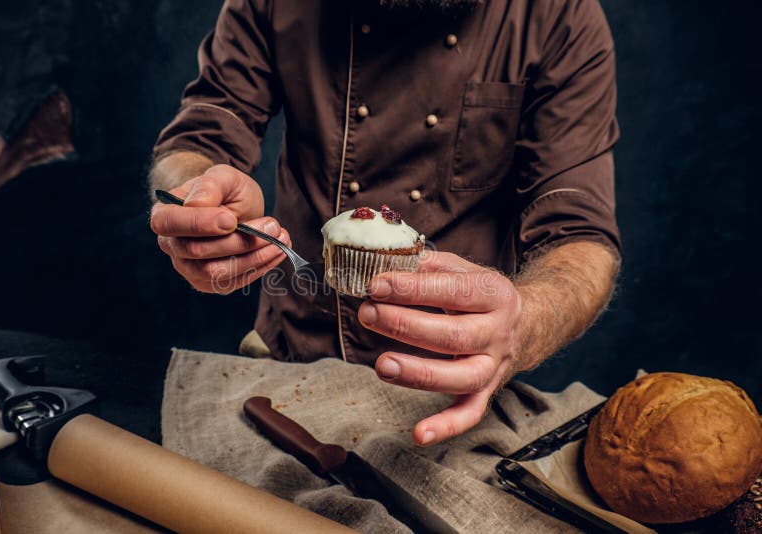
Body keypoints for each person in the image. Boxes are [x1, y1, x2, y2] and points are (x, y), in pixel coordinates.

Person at [149, 0, 620, 446]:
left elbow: (580, 237)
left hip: (457, 391)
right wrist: (196, 195)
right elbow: (206, 128)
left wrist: (526, 324)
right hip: (286, 364)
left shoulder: (559, 14)